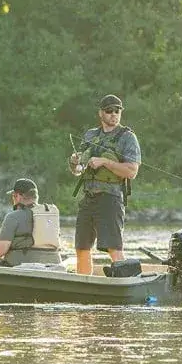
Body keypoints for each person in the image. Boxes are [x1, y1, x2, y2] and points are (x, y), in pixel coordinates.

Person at [68, 94, 141, 275]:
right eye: (109, 111)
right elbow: (77, 170)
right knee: (81, 248)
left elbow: (132, 171)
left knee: (113, 247)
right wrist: (74, 162)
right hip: (88, 198)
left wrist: (105, 162)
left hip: (110, 199)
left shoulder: (127, 137)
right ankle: (83, 283)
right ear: (101, 113)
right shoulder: (90, 135)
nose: (113, 114)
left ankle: (123, 283)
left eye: (117, 111)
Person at [0, 178, 43, 265]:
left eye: (13, 196)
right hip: (52, 263)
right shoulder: (49, 214)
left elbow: (0, 251)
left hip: (22, 265)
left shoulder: (13, 217)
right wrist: (3, 237)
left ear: (17, 196)